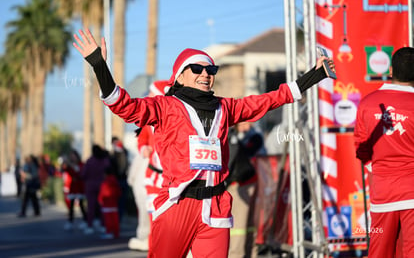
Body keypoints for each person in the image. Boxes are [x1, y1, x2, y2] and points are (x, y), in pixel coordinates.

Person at [73, 28, 335, 257]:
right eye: (196, 69)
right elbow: (123, 105)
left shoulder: (226, 107)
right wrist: (99, 65)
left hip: (217, 205)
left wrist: (315, 75)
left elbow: (270, 99)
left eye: (211, 69)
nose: (205, 74)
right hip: (178, 205)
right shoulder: (165, 106)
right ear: (179, 77)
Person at [354, 47, 414, 258]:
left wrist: (380, 169)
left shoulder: (367, 103)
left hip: (382, 192)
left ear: (390, 70)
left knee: (379, 252)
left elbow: (361, 150)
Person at [128, 80, 170, 251]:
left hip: (171, 177)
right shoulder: (147, 119)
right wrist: (144, 147)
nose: (149, 97)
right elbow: (142, 139)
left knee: (169, 216)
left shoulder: (173, 118)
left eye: (152, 94)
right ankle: (152, 246)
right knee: (153, 214)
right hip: (152, 175)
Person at [226, 122, 265, 258]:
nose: (249, 124)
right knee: (241, 226)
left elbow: (241, 152)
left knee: (241, 226)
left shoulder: (252, 136)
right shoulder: (232, 134)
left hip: (243, 183)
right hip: (242, 184)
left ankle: (238, 255)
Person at [81, 144, 111, 235]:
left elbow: (83, 174)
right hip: (102, 186)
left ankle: (90, 225)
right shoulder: (105, 161)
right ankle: (103, 225)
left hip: (90, 186)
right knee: (102, 206)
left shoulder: (90, 161)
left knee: (91, 207)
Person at [61, 149, 88, 231]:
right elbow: (64, 170)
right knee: (71, 205)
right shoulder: (69, 165)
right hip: (73, 186)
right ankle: (70, 221)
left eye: (74, 156)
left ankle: (85, 221)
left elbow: (80, 172)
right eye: (71, 156)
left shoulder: (81, 164)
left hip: (79, 185)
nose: (73, 157)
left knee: (81, 204)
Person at [98, 166, 122, 239]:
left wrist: (100, 200)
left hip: (106, 204)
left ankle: (109, 232)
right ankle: (116, 233)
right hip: (114, 204)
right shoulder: (115, 182)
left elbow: (102, 193)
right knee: (115, 220)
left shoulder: (105, 183)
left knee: (108, 220)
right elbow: (119, 192)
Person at [110, 136, 129, 222]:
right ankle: (116, 219)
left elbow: (123, 166)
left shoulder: (122, 152)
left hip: (120, 180)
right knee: (117, 202)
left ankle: (118, 219)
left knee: (121, 202)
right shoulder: (114, 155)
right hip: (116, 181)